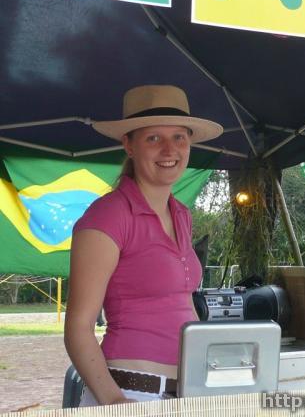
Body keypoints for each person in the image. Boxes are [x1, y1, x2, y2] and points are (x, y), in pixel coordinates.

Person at [64, 85, 223, 405]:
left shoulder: (181, 214)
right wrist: (114, 402)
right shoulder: (109, 215)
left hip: (185, 392)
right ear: (129, 145)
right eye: (153, 138)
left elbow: (183, 302)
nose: (169, 149)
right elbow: (78, 328)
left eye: (179, 137)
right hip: (129, 391)